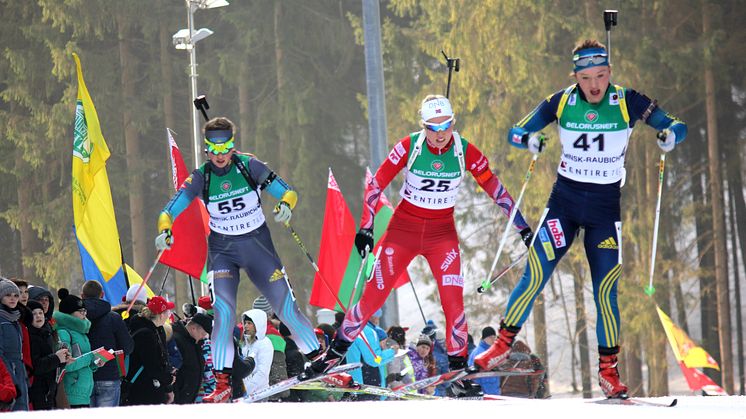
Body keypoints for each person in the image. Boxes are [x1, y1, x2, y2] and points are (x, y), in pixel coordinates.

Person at [474, 39, 687, 400]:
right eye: (586, 77)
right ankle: (502, 345)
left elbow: (675, 124)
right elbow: (516, 131)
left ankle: (608, 373)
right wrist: (528, 142)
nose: (594, 85)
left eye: (600, 76)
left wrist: (669, 136)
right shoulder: (560, 101)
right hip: (565, 206)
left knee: (606, 291)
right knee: (536, 273)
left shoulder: (627, 100)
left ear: (610, 74)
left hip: (604, 211)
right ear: (575, 76)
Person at [305, 95, 532, 398]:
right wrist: (366, 228)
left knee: (454, 304)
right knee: (372, 298)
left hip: (442, 235)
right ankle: (332, 357)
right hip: (403, 231)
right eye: (432, 127)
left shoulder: (465, 151)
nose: (440, 133)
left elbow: (494, 186)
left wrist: (524, 227)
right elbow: (376, 183)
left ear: (454, 122)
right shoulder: (410, 146)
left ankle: (457, 373)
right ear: (422, 125)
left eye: (446, 125)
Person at [155, 116, 320, 402]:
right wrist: (164, 230)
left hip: (258, 246)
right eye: (213, 150)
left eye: (225, 148)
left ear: (232, 146)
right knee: (223, 314)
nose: (219, 156)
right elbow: (169, 210)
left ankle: (320, 360)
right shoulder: (201, 177)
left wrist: (284, 205)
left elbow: (288, 191)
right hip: (223, 252)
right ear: (207, 149)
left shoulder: (249, 166)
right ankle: (221, 384)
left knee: (285, 308)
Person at [81, 280, 134, 407]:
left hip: (82, 377)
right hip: (108, 376)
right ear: (102, 294)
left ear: (82, 296)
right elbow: (128, 347)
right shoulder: (114, 318)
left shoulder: (76, 318)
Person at [122, 296, 175, 406]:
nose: (168, 316)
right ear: (161, 315)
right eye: (167, 313)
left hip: (154, 386)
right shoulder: (146, 334)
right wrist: (168, 379)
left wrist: (167, 386)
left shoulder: (157, 330)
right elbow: (152, 365)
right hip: (143, 389)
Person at [54, 288, 100, 409]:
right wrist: (90, 356)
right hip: (72, 394)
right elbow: (67, 365)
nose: (84, 314)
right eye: (80, 311)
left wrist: (94, 363)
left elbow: (83, 361)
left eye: (85, 310)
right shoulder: (64, 333)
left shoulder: (81, 333)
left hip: (83, 394)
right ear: (69, 313)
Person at [26, 300, 70, 410]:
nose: (38, 316)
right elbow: (35, 366)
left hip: (50, 388)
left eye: (40, 313)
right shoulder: (29, 336)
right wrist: (57, 358)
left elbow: (52, 362)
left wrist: (63, 360)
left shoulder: (47, 332)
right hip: (38, 390)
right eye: (34, 314)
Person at [0, 279, 28, 410]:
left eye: (15, 295)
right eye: (8, 295)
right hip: (9, 374)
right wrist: (11, 379)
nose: (13, 298)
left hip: (19, 370)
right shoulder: (2, 320)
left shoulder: (13, 319)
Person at [172, 313, 209, 404]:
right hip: (178, 399)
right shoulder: (177, 340)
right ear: (193, 328)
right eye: (202, 333)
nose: (204, 337)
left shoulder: (194, 341)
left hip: (188, 398)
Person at [238, 309, 273, 396]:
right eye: (245, 323)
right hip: (245, 393)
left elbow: (262, 372)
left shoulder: (265, 343)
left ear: (258, 325)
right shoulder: (245, 343)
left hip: (260, 393)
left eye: (249, 323)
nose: (245, 326)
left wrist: (247, 390)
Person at [468, 326, 500, 395]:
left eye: (494, 337)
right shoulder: (480, 353)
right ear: (484, 338)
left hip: (493, 391)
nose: (493, 339)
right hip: (486, 392)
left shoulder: (491, 351)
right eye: (490, 337)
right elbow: (479, 375)